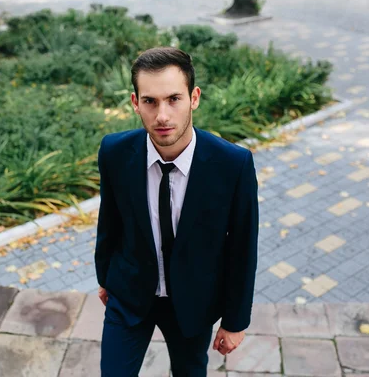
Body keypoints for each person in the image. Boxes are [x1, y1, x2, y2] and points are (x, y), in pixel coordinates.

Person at [95, 46, 259, 376]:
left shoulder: (232, 165)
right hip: (129, 294)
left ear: (194, 98)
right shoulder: (114, 151)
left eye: (174, 99)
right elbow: (109, 221)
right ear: (135, 102)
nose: (162, 116)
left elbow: (242, 247)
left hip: (194, 302)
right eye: (150, 101)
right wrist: (106, 277)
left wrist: (235, 321)